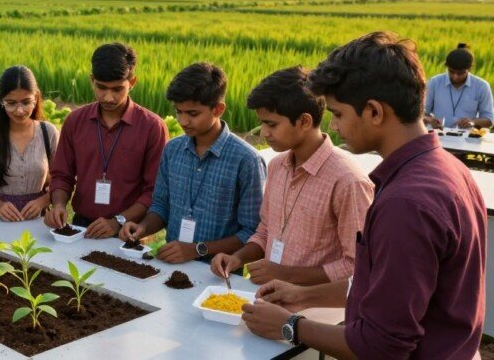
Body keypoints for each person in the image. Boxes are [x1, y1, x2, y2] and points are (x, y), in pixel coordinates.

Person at [243, 32, 487, 359]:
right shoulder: (445, 168)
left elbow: (382, 345)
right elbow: (380, 289)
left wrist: (290, 325)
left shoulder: (407, 203)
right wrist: (303, 295)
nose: (332, 124)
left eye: (339, 113)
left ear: (373, 111)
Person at [210, 67, 373, 286]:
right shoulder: (278, 166)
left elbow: (358, 266)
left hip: (315, 313)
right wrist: (237, 258)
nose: (264, 133)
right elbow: (266, 230)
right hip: (269, 300)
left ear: (304, 122)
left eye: (272, 124)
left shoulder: (347, 181)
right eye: (263, 123)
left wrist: (284, 274)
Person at [119, 62, 265, 263]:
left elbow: (253, 232)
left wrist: (198, 249)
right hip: (170, 266)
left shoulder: (246, 160)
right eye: (179, 111)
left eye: (193, 114)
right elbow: (161, 206)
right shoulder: (173, 150)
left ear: (218, 109)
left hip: (217, 274)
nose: (183, 121)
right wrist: (142, 227)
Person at [44, 42, 168, 238]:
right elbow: (62, 175)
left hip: (128, 231)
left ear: (132, 83)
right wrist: (58, 204)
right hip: (82, 226)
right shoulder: (75, 121)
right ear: (92, 80)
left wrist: (118, 221)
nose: (108, 97)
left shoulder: (152, 127)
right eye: (101, 87)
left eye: (117, 89)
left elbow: (154, 191)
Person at [0, 65, 58, 221]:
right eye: (11, 103)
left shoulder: (48, 133)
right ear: (0, 100)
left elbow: (62, 183)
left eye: (26, 102)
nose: (19, 110)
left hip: (37, 221)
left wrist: (42, 201)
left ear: (36, 98)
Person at [423, 43, 493, 129]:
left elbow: (490, 120)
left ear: (470, 69)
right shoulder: (434, 82)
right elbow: (421, 114)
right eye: (451, 71)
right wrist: (430, 120)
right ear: (447, 67)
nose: (455, 76)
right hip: (438, 135)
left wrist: (472, 122)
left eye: (460, 73)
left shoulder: (482, 86)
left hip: (467, 139)